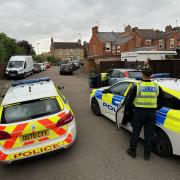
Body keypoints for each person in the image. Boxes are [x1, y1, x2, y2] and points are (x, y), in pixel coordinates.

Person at [126, 65, 166, 160]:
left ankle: (132, 151)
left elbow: (128, 102)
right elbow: (163, 102)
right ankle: (147, 154)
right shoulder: (157, 87)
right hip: (151, 113)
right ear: (151, 75)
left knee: (135, 133)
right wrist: (155, 108)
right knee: (149, 134)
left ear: (142, 74)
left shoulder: (137, 87)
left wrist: (132, 109)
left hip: (139, 112)